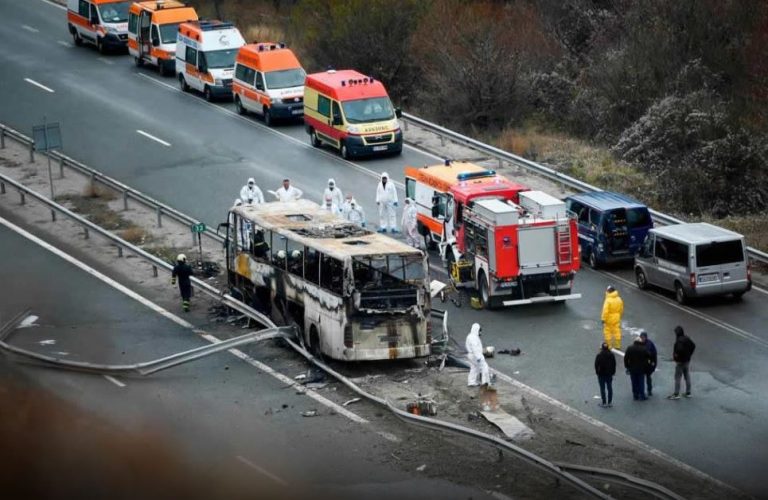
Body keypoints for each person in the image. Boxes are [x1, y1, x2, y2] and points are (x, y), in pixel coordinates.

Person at [668, 325, 696, 400]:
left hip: (680, 362)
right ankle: (688, 392)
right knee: (687, 375)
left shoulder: (679, 341)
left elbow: (679, 350)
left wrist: (677, 357)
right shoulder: (686, 338)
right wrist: (689, 354)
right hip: (687, 360)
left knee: (677, 377)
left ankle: (676, 394)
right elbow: (693, 346)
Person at [601, 285, 624, 349]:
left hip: (609, 318)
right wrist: (619, 316)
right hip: (617, 317)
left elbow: (605, 311)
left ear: (609, 291)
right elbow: (621, 309)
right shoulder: (619, 299)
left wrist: (603, 319)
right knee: (617, 330)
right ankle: (617, 345)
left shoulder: (608, 300)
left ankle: (608, 345)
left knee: (607, 331)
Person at [594, 342, 616, 407]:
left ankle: (604, 402)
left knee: (602, 388)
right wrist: (613, 372)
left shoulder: (599, 355)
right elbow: (614, 364)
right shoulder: (611, 355)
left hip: (601, 374)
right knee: (609, 387)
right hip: (609, 374)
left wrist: (597, 372)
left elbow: (596, 365)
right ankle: (610, 402)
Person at [639, 330, 657, 397]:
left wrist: (654, 364)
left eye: (643, 337)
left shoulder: (649, 344)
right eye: (641, 337)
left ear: (646, 337)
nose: (642, 339)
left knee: (648, 377)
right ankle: (642, 391)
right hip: (642, 364)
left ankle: (649, 390)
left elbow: (654, 354)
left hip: (648, 364)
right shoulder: (640, 343)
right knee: (642, 378)